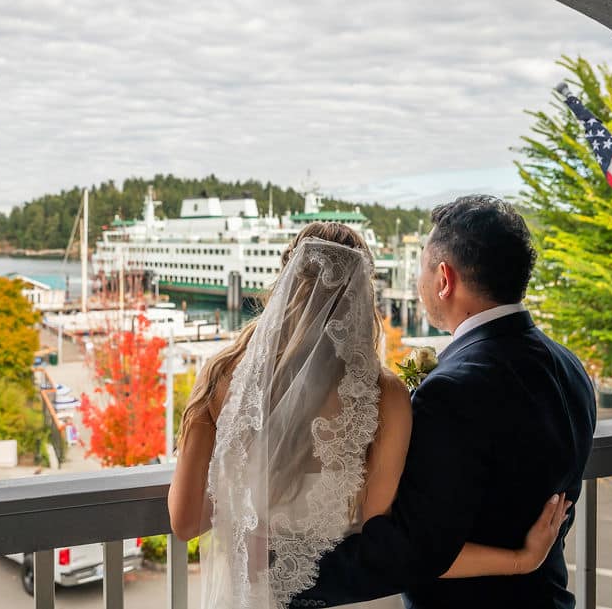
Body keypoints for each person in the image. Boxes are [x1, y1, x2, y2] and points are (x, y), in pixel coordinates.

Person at [169, 220, 573, 609]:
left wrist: (248, 502)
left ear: (286, 285)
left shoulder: (223, 376)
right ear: (363, 294)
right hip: (355, 597)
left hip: (252, 595)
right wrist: (520, 559)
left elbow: (186, 523)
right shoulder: (385, 397)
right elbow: (387, 540)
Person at [292, 196, 597, 609]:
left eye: (421, 267)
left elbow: (416, 546)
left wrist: (288, 577)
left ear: (444, 278)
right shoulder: (569, 366)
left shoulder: (452, 390)